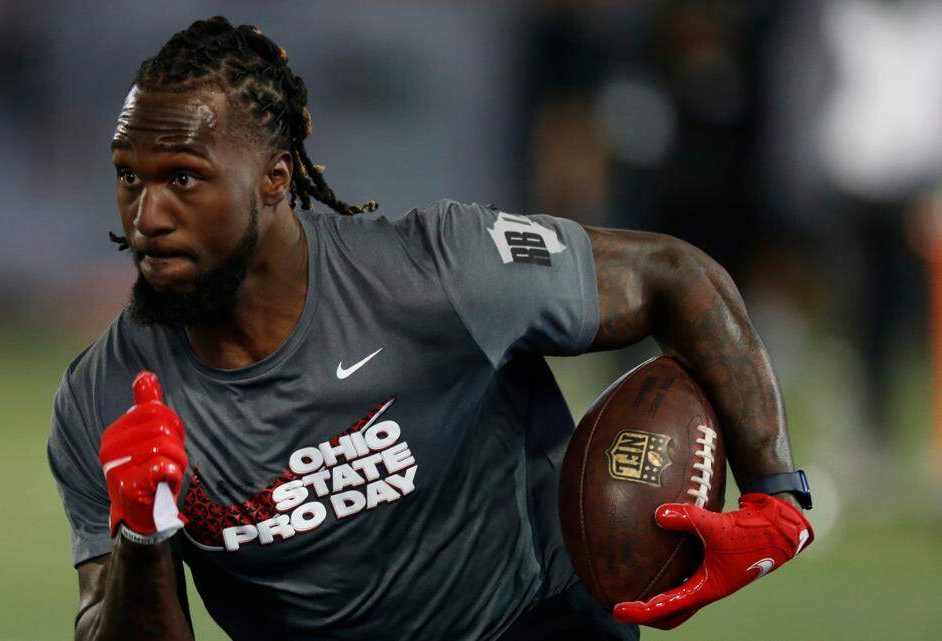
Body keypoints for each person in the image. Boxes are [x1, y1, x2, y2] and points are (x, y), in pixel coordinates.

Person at [48, 17, 813, 641]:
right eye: (128, 176)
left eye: (183, 177)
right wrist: (143, 535)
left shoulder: (436, 271)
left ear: (276, 177)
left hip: (534, 625)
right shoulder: (106, 397)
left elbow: (674, 275)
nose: (146, 217)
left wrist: (775, 496)